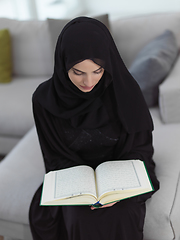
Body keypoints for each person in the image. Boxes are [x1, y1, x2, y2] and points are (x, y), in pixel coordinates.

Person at [29, 16, 159, 240]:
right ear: (62, 65)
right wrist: (84, 193)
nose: (88, 82)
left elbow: (140, 150)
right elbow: (54, 158)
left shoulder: (126, 91)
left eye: (97, 71)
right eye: (78, 72)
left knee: (123, 213)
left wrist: (117, 191)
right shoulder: (44, 100)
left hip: (120, 175)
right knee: (78, 217)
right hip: (74, 179)